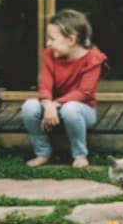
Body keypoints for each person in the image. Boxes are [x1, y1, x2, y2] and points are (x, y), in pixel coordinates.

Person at [22, 9, 107, 168]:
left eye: (52, 39)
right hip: (52, 110)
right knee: (29, 106)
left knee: (70, 108)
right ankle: (42, 152)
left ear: (71, 40)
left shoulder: (93, 59)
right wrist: (48, 104)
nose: (48, 43)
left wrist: (54, 104)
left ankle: (80, 155)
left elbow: (84, 92)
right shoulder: (49, 55)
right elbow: (45, 85)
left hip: (81, 112)